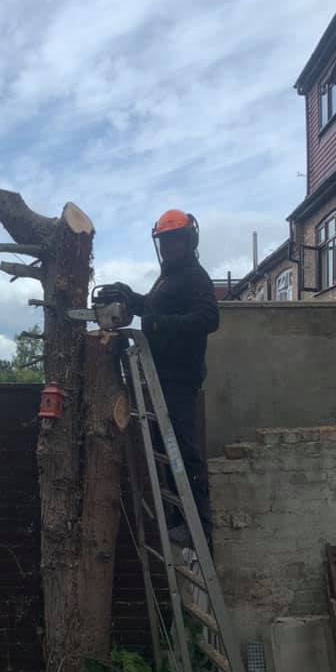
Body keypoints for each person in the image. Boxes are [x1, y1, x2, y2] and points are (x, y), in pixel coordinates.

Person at [112, 210, 219, 547]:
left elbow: (207, 319)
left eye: (176, 241)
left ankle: (198, 524)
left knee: (183, 450)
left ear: (189, 241)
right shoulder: (167, 279)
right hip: (162, 376)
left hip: (179, 377)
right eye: (166, 242)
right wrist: (132, 297)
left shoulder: (194, 276)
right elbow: (157, 309)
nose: (171, 247)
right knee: (165, 447)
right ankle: (178, 519)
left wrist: (158, 325)